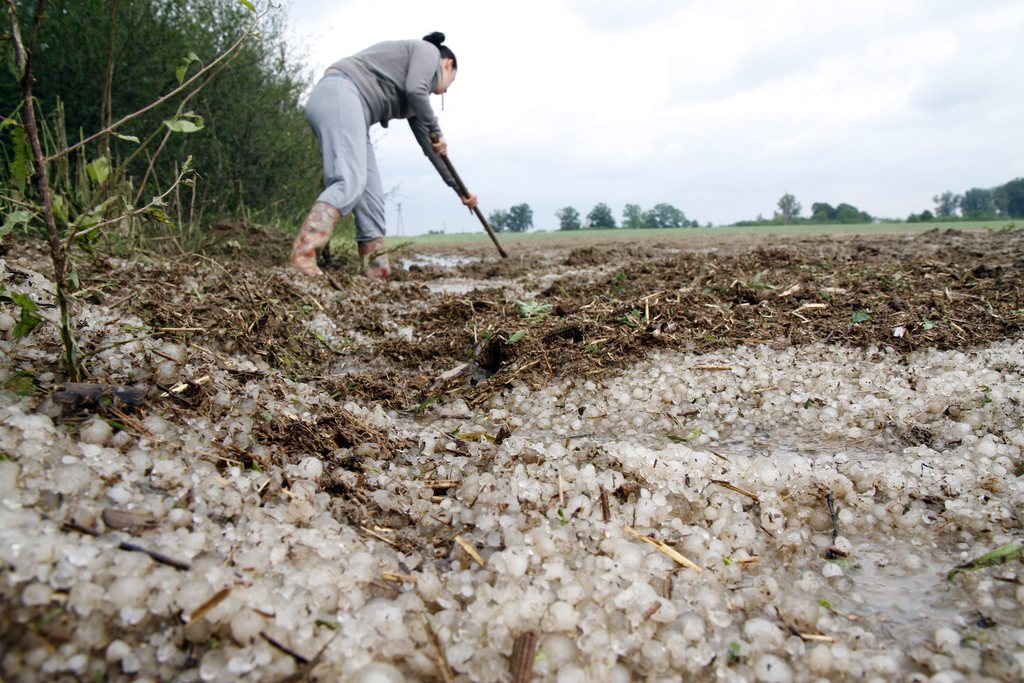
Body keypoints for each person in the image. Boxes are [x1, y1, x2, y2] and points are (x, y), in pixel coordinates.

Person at [290, 31, 478, 278]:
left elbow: (433, 153)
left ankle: (376, 271)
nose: (441, 93)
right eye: (449, 83)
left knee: (372, 196)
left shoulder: (416, 100)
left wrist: (461, 191)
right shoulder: (428, 52)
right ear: (448, 64)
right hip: (339, 92)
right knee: (348, 180)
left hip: (355, 110)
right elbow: (416, 89)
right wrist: (435, 129)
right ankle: (303, 254)